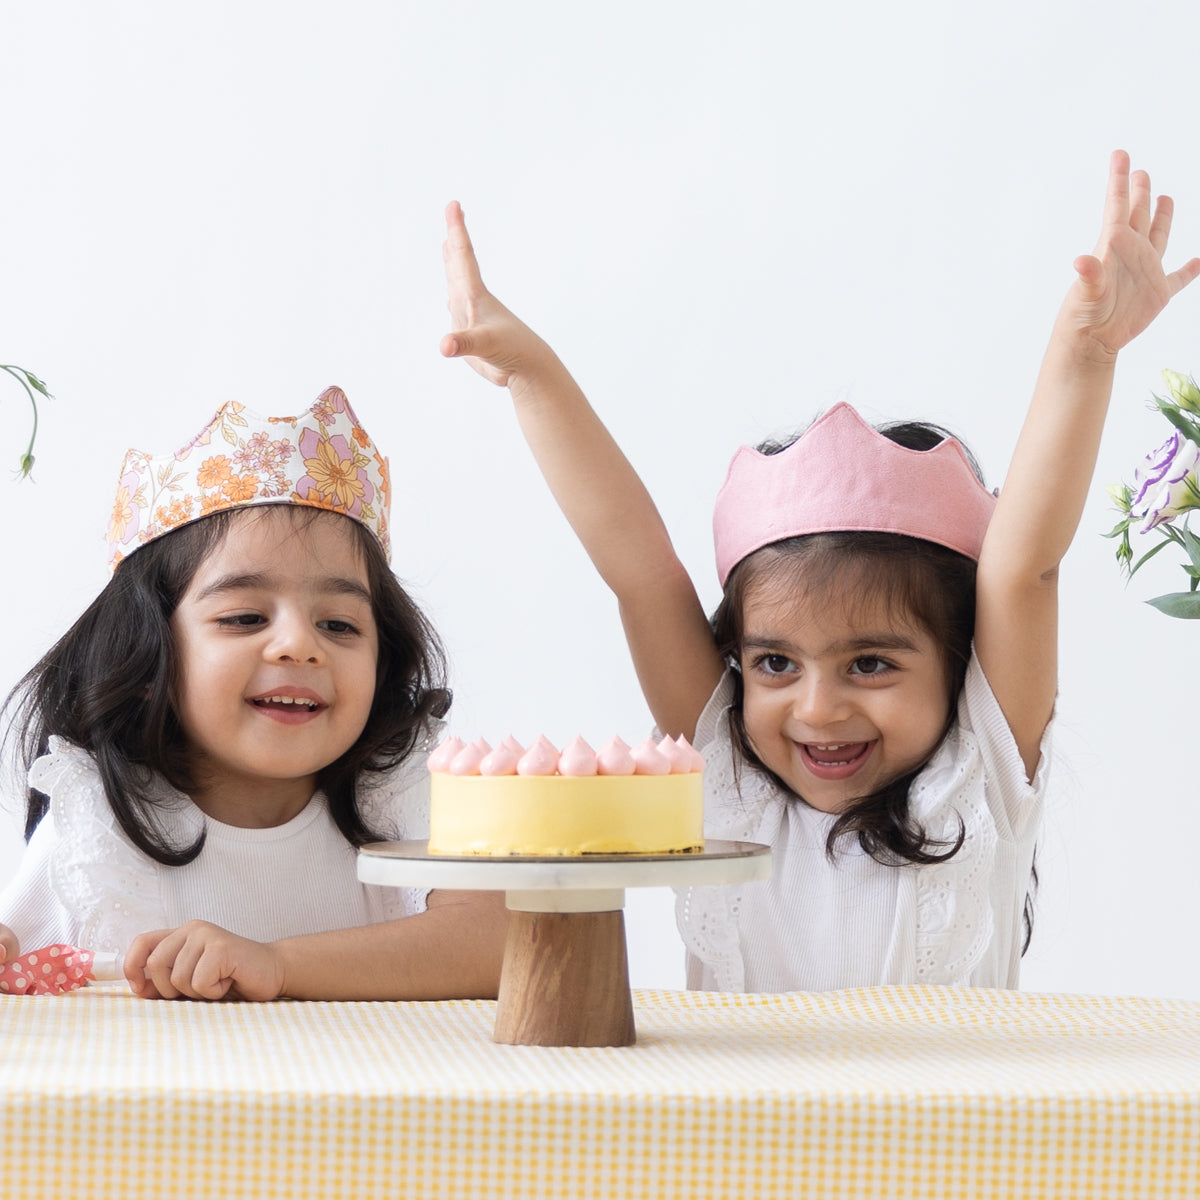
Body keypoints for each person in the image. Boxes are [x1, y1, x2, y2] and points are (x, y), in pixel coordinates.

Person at [439, 152, 1200, 992]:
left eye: (869, 663)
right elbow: (641, 573)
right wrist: (533, 377)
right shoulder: (727, 771)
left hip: (949, 1132)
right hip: (737, 1133)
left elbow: (1024, 570)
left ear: (959, 659)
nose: (817, 707)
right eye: (774, 663)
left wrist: (1086, 352)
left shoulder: (978, 775)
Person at [0, 388, 506, 1000]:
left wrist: (278, 965)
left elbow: (500, 941)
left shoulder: (403, 791)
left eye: (340, 625)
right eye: (243, 618)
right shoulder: (100, 822)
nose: (299, 645)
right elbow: (25, 984)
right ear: (149, 650)